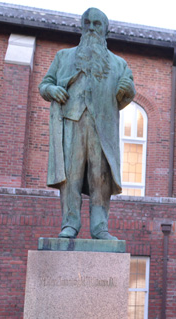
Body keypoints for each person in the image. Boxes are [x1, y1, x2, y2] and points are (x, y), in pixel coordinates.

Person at [39, 8, 135, 240]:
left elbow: (128, 91)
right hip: (72, 122)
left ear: (105, 30)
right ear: (82, 27)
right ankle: (70, 224)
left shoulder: (119, 64)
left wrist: (127, 90)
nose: (91, 28)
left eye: (97, 24)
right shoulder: (63, 56)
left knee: (99, 177)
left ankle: (100, 227)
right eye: (87, 23)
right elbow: (45, 85)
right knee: (71, 176)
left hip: (102, 126)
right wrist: (52, 89)